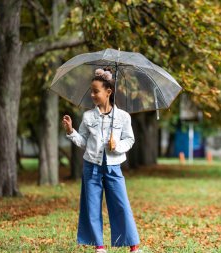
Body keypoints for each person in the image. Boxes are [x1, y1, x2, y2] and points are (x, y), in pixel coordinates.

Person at [62, 68, 141, 253]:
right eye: (91, 91)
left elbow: (130, 140)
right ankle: (99, 246)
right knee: (91, 206)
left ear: (108, 92)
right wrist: (70, 131)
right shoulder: (88, 116)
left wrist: (117, 146)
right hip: (91, 167)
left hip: (114, 167)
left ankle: (133, 247)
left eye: (96, 91)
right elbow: (83, 141)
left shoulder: (123, 117)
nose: (92, 94)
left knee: (121, 205)